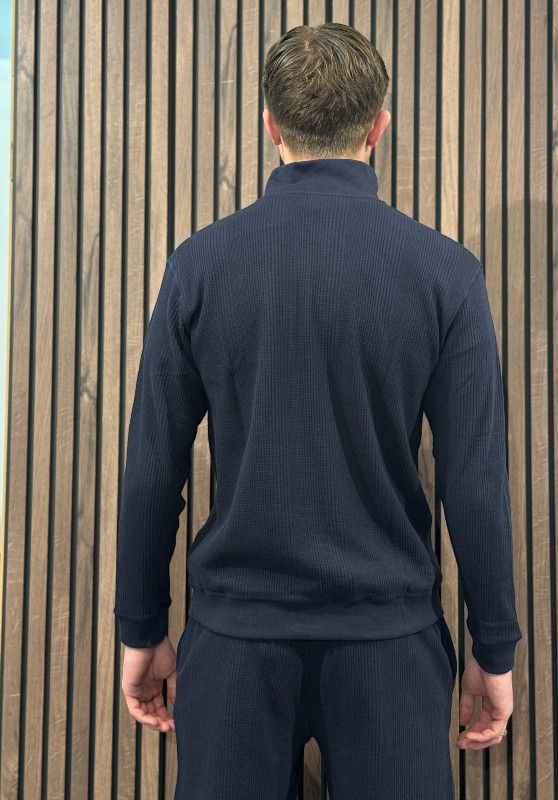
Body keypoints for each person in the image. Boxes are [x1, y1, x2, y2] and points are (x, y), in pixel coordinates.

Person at [114, 22, 522, 800]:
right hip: (390, 647)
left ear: (271, 126)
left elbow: (151, 470)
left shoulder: (199, 266)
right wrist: (493, 647)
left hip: (234, 644)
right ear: (378, 126)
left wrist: (141, 628)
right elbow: (476, 484)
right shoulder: (446, 275)